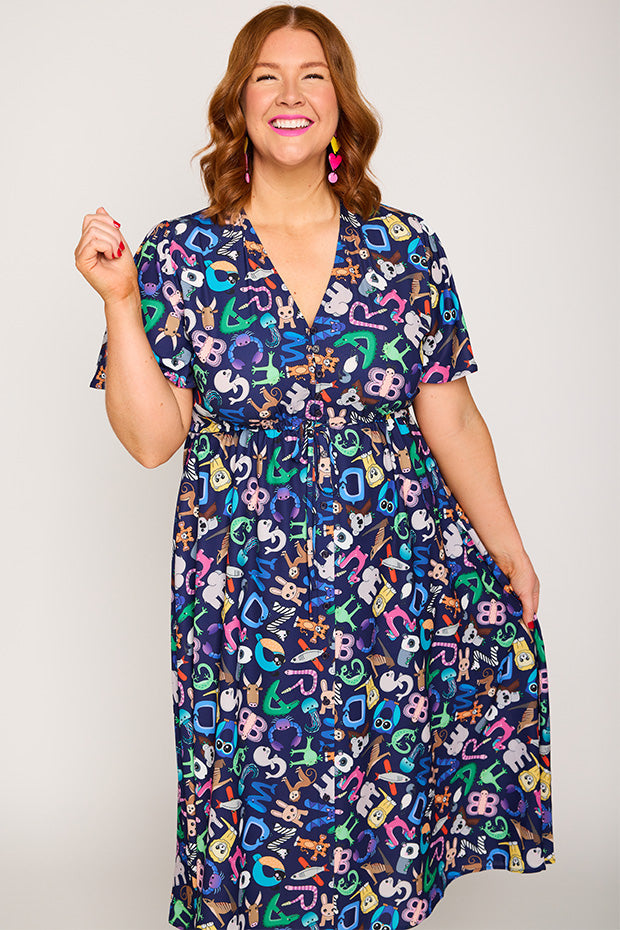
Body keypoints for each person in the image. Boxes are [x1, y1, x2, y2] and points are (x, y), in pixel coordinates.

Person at [75, 5, 555, 928]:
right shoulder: (180, 253)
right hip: (241, 591)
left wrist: (510, 550)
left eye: (312, 75)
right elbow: (150, 439)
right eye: (267, 75)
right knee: (247, 810)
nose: (289, 94)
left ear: (340, 103)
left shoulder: (405, 248)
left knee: (378, 805)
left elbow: (451, 415)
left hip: (388, 581)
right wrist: (122, 302)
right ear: (238, 104)